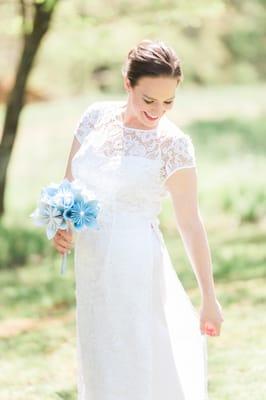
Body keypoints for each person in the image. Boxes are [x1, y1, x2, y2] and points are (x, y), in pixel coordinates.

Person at [53, 39, 224, 400]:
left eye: (168, 102)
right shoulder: (94, 119)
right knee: (99, 355)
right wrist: (62, 225)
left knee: (136, 356)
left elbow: (190, 223)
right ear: (127, 83)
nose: (158, 110)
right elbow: (69, 186)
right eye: (149, 100)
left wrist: (209, 296)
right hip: (92, 262)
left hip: (136, 262)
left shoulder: (173, 144)